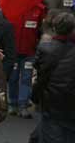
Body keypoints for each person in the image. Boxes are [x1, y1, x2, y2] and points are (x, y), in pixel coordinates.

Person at [34, 12, 75, 143]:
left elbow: (40, 74)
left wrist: (35, 95)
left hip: (50, 102)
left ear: (54, 28)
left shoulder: (45, 48)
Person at [8, 3, 46, 119]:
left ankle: (23, 105)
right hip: (13, 52)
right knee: (13, 78)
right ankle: (13, 104)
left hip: (29, 52)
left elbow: (42, 30)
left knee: (26, 78)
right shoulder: (12, 6)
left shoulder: (39, 9)